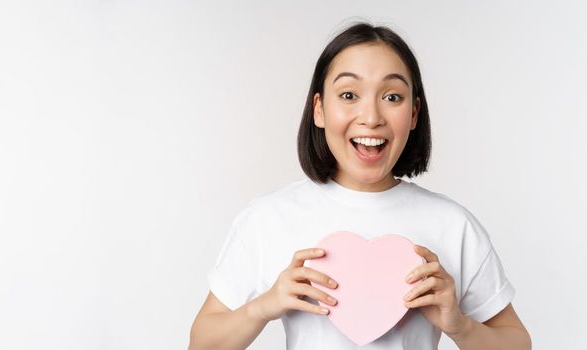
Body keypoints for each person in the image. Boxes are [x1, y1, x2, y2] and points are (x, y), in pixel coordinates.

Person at [188, 22, 531, 350]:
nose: (371, 117)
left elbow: (518, 344)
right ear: (319, 110)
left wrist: (460, 324)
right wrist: (264, 306)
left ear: (414, 114)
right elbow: (201, 344)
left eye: (392, 97)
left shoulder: (453, 225)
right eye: (349, 94)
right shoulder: (269, 218)